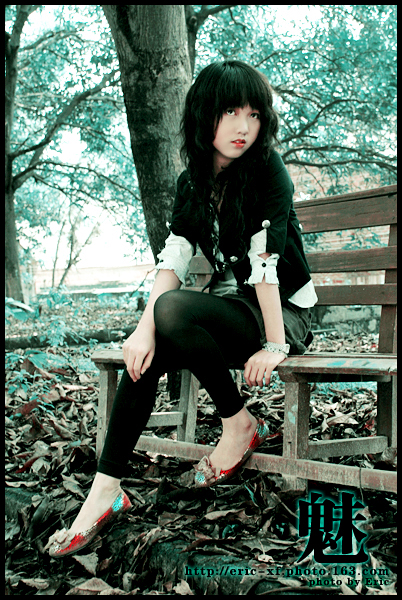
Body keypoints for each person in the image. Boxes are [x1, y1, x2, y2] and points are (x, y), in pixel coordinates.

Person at [46, 60, 317, 558]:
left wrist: (277, 344)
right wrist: (142, 330)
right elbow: (174, 259)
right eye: (230, 112)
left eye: (254, 114)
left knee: (169, 314)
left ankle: (238, 425)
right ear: (204, 115)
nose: (243, 126)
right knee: (153, 341)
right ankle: (105, 490)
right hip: (232, 309)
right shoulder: (192, 180)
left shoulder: (267, 171)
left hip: (281, 312)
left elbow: (266, 262)